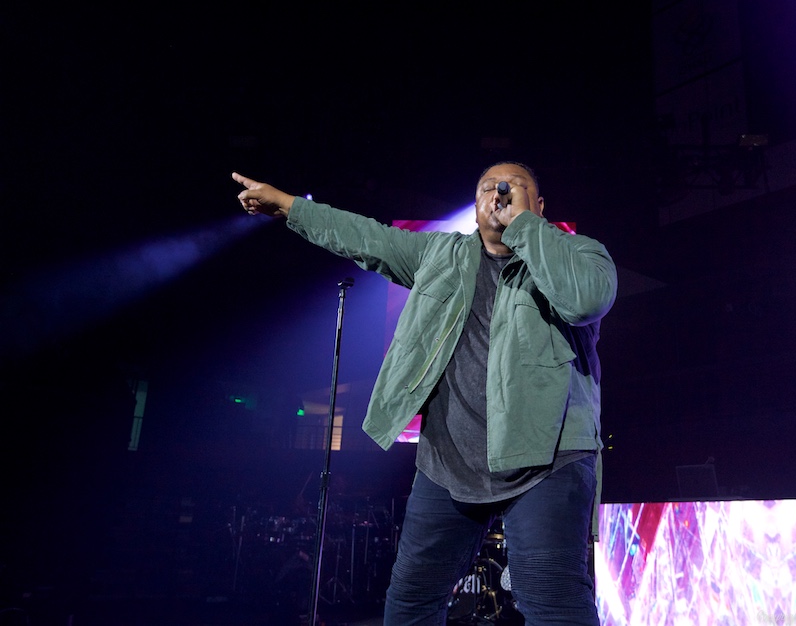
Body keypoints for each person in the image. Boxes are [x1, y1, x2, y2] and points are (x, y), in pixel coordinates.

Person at [234, 161, 617, 625]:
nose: (499, 194)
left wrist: (524, 227)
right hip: (450, 462)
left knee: (553, 604)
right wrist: (288, 205)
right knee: (410, 603)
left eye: (513, 188)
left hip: (547, 461)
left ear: (538, 205)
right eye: (487, 189)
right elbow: (365, 236)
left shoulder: (579, 254)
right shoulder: (440, 255)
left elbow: (586, 300)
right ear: (474, 207)